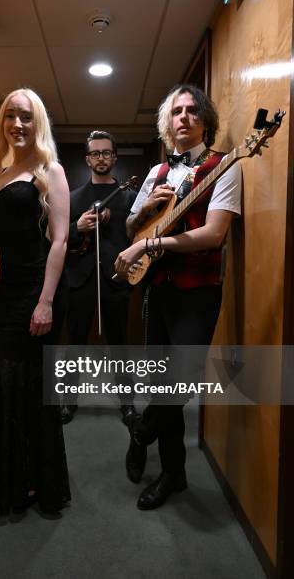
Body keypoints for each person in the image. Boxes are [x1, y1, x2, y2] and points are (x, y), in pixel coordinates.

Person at [115, 84, 241, 509]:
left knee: (181, 380)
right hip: (158, 290)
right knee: (161, 380)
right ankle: (174, 473)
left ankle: (141, 429)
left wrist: (151, 246)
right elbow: (132, 229)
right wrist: (147, 210)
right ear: (167, 124)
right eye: (176, 112)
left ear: (205, 119)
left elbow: (213, 234)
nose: (183, 118)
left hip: (198, 291)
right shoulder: (156, 173)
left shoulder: (225, 166)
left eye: (191, 111)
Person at [0, 88, 70, 515]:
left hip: (35, 292)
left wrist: (45, 302)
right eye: (10, 116)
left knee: (30, 388)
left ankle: (36, 483)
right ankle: (8, 480)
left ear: (38, 121)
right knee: (3, 383)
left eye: (26, 117)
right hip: (6, 292)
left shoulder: (51, 171)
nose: (17, 124)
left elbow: (61, 239)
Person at [61, 130, 137, 425]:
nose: (101, 158)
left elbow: (136, 238)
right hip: (79, 279)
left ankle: (127, 405)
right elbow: (56, 238)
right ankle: (69, 403)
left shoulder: (130, 197)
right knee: (74, 344)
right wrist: (76, 226)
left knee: (120, 345)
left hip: (115, 278)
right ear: (87, 159)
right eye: (95, 153)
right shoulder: (72, 198)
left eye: (106, 153)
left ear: (114, 158)